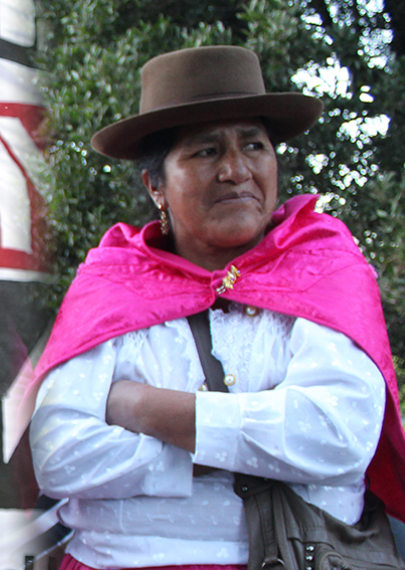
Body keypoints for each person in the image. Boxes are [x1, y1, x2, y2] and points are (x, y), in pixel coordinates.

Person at [29, 45, 405, 570]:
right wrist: (252, 445)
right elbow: (59, 455)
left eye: (253, 145)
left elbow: (338, 436)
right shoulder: (111, 284)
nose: (236, 170)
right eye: (206, 152)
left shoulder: (324, 268)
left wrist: (141, 408)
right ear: (155, 185)